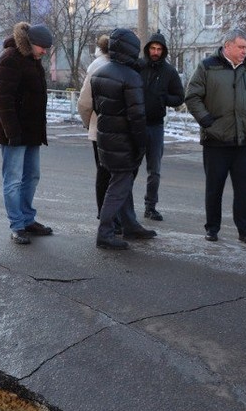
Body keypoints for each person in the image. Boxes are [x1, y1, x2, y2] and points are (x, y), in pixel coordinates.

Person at [185, 29, 246, 246]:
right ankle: (212, 228)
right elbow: (193, 96)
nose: (245, 51)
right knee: (214, 187)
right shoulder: (207, 66)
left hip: (244, 139)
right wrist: (207, 122)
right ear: (228, 46)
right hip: (216, 140)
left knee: (244, 189)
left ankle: (245, 230)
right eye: (241, 47)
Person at [90, 28, 156, 250]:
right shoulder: (131, 77)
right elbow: (137, 117)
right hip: (124, 142)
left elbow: (98, 108)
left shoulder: (100, 72)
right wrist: (141, 144)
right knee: (118, 187)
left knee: (119, 184)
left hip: (106, 138)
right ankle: (105, 233)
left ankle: (129, 225)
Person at [0, 22, 55, 245]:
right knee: (13, 180)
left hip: (32, 131)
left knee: (32, 176)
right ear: (31, 43)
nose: (44, 52)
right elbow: (3, 100)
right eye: (42, 47)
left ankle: (28, 219)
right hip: (14, 133)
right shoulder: (10, 58)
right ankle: (17, 225)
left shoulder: (32, 59)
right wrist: (12, 132)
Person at [139, 32, 185, 221]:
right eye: (152, 48)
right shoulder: (138, 66)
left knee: (154, 170)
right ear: (148, 48)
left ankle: (150, 206)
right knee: (129, 169)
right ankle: (122, 209)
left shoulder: (169, 71)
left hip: (156, 126)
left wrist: (163, 99)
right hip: (136, 124)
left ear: (163, 51)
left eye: (159, 49)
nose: (155, 52)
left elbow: (179, 97)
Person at [78, 34, 112, 221]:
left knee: (103, 170)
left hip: (97, 127)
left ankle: (103, 211)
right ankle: (113, 214)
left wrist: (88, 122)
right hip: (114, 129)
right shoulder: (124, 64)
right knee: (115, 173)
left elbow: (84, 103)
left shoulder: (95, 66)